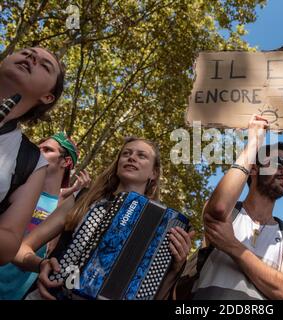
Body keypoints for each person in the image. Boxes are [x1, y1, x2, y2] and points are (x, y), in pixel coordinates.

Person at [13, 137, 193, 300]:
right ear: (117, 164)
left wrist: (175, 269)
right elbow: (20, 249)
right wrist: (41, 264)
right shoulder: (83, 200)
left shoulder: (161, 229)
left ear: (153, 173)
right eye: (126, 154)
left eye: (141, 156)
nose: (131, 158)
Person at [192, 114, 283, 300]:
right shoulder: (230, 212)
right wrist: (254, 144)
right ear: (253, 169)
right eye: (279, 162)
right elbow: (217, 208)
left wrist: (233, 246)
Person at [0, 132, 90, 299]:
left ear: (66, 161)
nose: (39, 152)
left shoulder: (65, 208)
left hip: (16, 292)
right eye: (38, 148)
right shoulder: (14, 189)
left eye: (47, 150)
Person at [0, 47, 65, 265]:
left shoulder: (32, 161)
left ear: (47, 97)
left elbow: (9, 244)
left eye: (45, 66)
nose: (32, 57)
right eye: (26, 52)